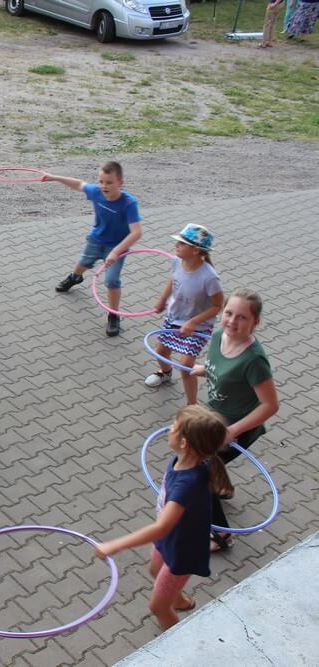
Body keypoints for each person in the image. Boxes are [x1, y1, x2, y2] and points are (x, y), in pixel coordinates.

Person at [95, 405, 228, 631]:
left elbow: (161, 528)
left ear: (184, 443)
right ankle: (180, 601)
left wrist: (115, 545)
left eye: (175, 426)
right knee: (155, 571)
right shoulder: (185, 460)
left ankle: (175, 641)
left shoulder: (188, 484)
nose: (170, 428)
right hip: (172, 540)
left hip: (183, 551)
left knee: (157, 607)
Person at [190, 289, 279, 552]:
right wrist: (203, 370)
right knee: (202, 463)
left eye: (242, 317)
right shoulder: (219, 337)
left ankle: (221, 535)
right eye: (228, 313)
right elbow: (220, 368)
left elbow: (270, 405)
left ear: (255, 323)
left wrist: (235, 430)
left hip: (239, 428)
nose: (232, 321)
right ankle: (222, 488)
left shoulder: (255, 360)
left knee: (196, 473)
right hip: (215, 419)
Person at [43, 162, 143, 337]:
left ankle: (114, 315)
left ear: (120, 182)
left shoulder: (128, 203)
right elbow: (78, 184)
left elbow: (136, 233)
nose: (104, 186)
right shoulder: (96, 192)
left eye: (109, 182)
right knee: (83, 262)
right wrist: (54, 177)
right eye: (101, 181)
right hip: (96, 240)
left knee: (112, 281)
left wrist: (116, 251)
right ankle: (75, 277)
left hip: (116, 248)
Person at [145, 224, 223, 405]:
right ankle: (165, 373)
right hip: (174, 317)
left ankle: (191, 404)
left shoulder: (210, 277)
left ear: (195, 250)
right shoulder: (176, 262)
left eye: (181, 243)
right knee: (161, 350)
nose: (176, 246)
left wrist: (193, 322)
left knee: (186, 366)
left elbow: (218, 305)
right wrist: (162, 300)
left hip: (198, 326)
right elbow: (173, 280)